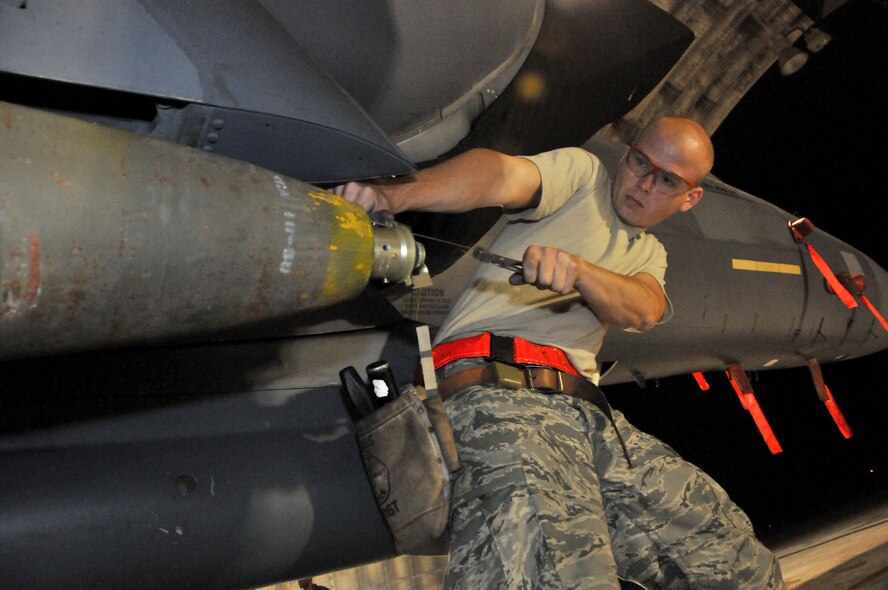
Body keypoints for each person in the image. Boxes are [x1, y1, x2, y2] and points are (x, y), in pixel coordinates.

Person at [334, 117, 784, 589]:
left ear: (689, 197)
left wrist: (580, 271)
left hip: (590, 418)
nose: (643, 183)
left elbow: (644, 308)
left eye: (667, 180)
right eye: (638, 162)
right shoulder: (584, 176)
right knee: (558, 574)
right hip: (498, 390)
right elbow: (501, 176)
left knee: (734, 560)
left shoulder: (650, 254)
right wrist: (394, 197)